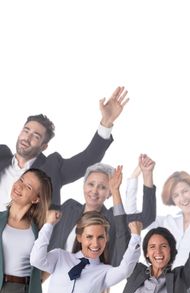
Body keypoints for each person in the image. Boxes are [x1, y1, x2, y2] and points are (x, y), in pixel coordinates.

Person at [0, 85, 129, 210]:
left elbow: (88, 158)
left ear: (44, 146)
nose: (27, 138)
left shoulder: (51, 169)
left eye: (36, 136)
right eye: (26, 131)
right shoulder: (2, 155)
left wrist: (106, 122)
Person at [30, 210, 142, 293]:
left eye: (100, 237)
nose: (95, 243)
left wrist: (136, 237)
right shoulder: (60, 257)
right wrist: (49, 224)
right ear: (79, 237)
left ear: (106, 238)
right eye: (89, 237)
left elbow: (125, 270)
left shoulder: (104, 272)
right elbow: (36, 259)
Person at [48, 155, 156, 266]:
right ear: (84, 185)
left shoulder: (114, 218)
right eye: (91, 184)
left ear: (110, 193)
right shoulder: (70, 207)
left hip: (92, 278)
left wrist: (147, 174)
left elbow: (147, 217)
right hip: (54, 275)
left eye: (102, 187)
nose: (94, 191)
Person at [0, 168, 52, 293]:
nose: (20, 186)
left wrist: (36, 282)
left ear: (36, 198)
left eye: (28, 187)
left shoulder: (40, 231)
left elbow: (48, 265)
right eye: (21, 180)